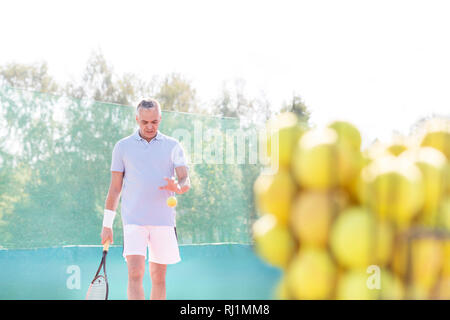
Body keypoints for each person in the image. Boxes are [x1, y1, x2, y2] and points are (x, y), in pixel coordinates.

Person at [101, 98, 190, 300]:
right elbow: (115, 189)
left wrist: (179, 187)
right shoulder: (122, 147)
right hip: (133, 220)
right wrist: (107, 224)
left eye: (155, 122)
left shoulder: (173, 145)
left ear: (160, 119)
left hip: (163, 221)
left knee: (158, 277)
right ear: (137, 119)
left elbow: (185, 179)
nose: (150, 126)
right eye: (145, 122)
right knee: (135, 273)